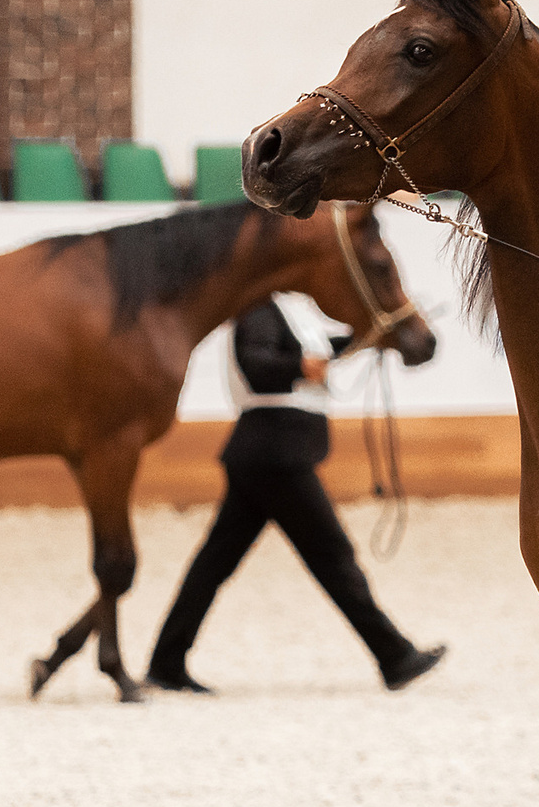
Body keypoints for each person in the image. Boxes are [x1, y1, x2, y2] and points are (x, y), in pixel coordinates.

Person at [145, 296, 445, 695]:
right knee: (332, 555)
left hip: (269, 454)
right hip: (277, 453)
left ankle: (166, 662)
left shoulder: (290, 310)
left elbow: (315, 350)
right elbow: (256, 364)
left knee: (214, 564)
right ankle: (394, 655)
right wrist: (300, 368)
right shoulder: (258, 310)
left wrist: (365, 338)